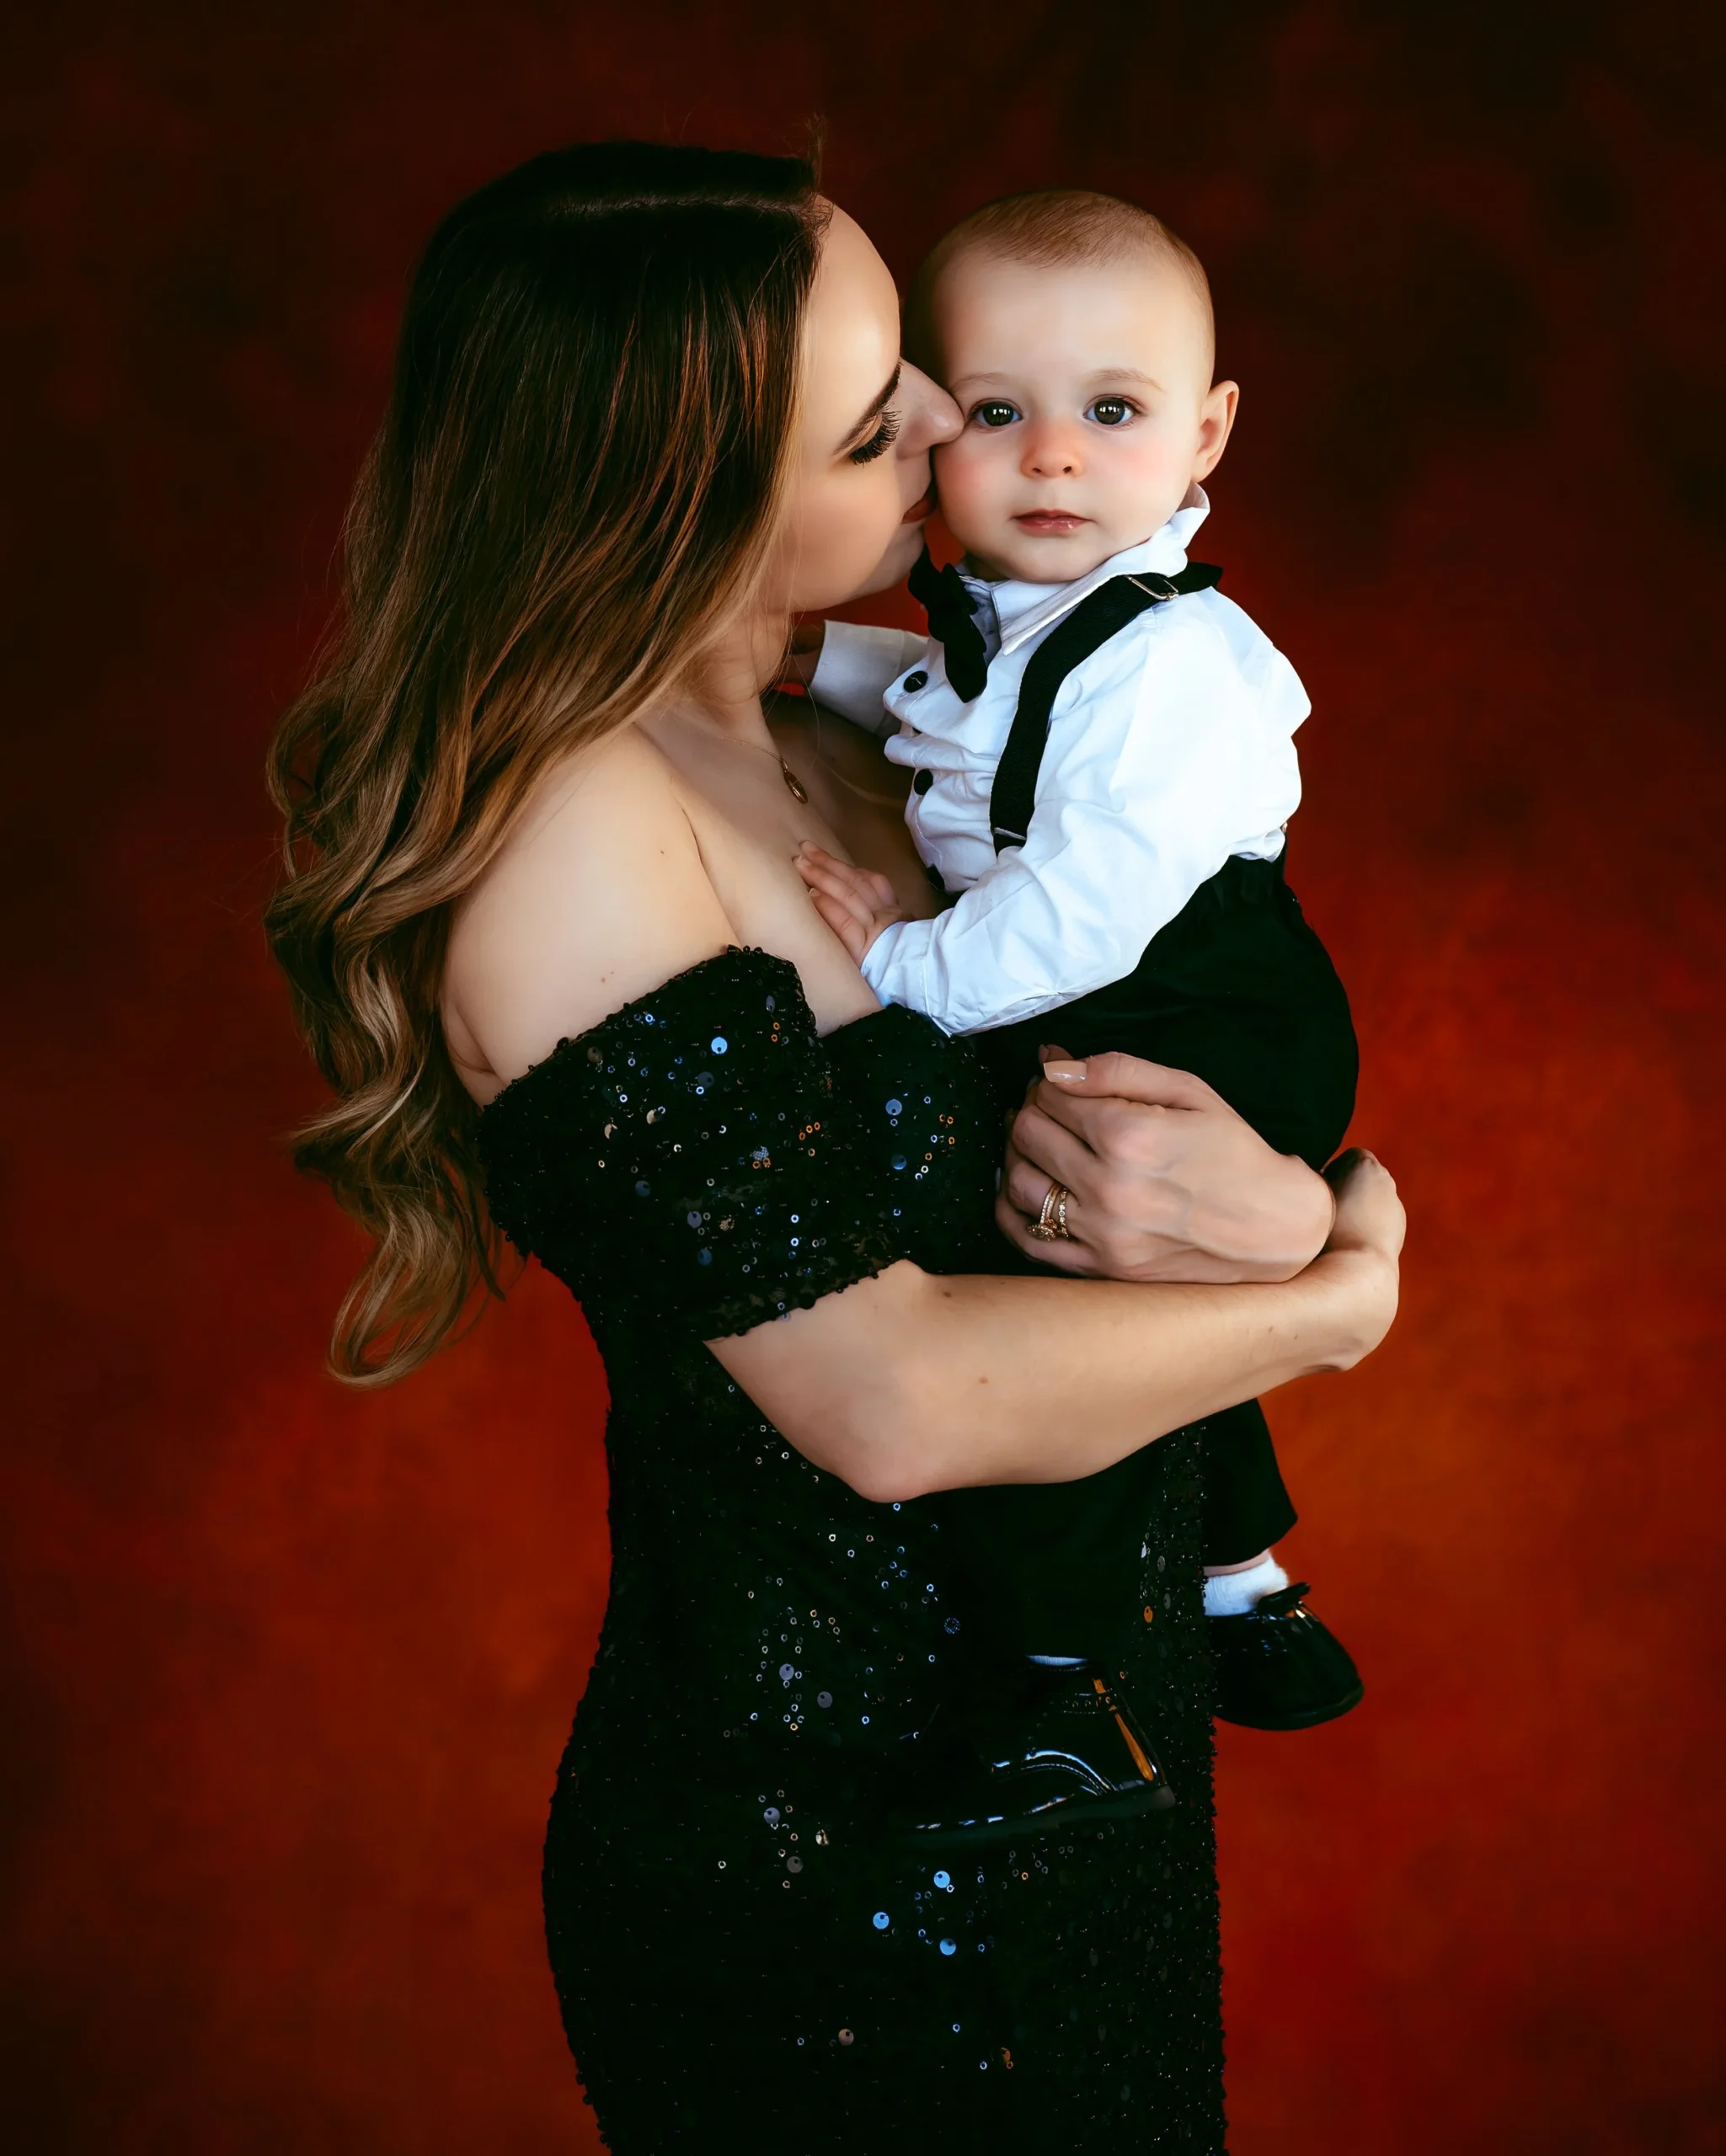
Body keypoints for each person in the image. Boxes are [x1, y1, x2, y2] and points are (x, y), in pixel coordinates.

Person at [265, 141, 1403, 2152]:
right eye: (898, 422)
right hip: (837, 1851)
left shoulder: (850, 742)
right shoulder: (575, 837)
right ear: (689, 491)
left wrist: (1283, 1196)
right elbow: (886, 1396)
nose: (975, 452)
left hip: (1088, 1781)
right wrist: (1342, 1297)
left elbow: (1141, 1071)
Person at [790, 190, 1364, 1847]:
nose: (1051, 458)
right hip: (1100, 968)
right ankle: (1244, 1579)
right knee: (1134, 1272)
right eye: (994, 411)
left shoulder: (1183, 669)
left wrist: (901, 965)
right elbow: (930, 709)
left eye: (1108, 412)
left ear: (1205, 435)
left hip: (1208, 991)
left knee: (1069, 1297)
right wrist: (784, 652)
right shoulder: (1025, 621)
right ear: (922, 432)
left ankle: (1060, 1690)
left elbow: (1087, 910)